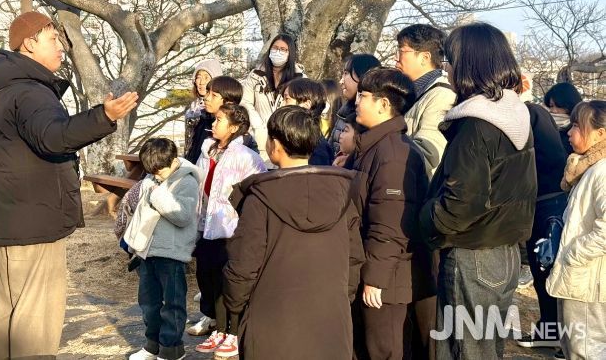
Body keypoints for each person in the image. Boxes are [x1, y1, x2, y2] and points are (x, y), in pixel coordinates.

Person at [0, 11, 139, 359]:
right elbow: (54, 137)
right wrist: (104, 116)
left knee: (10, 317)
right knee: (35, 324)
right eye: (53, 39)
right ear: (30, 44)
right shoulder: (29, 90)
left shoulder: (2, 87)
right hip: (34, 219)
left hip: (13, 217)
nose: (61, 47)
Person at [418, 22, 537, 359]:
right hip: (504, 252)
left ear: (468, 65)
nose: (447, 70)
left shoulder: (476, 124)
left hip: (474, 255)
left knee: (466, 351)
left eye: (450, 62)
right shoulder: (513, 113)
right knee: (485, 349)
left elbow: (460, 205)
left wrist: (425, 218)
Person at [223, 106, 364, 360]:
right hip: (330, 324)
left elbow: (243, 264)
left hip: (271, 324)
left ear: (275, 145)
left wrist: (235, 306)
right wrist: (341, 298)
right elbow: (354, 259)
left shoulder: (261, 197)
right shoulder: (341, 194)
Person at [352, 68, 432, 360]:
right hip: (377, 269)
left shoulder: (393, 155)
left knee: (385, 350)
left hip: (389, 278)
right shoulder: (374, 146)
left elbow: (390, 222)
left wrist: (376, 277)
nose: (356, 102)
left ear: (383, 104)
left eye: (363, 96)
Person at [186, 75, 258, 338]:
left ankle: (229, 328)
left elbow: (251, 186)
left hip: (229, 223)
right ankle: (211, 317)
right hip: (205, 217)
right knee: (205, 271)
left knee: (225, 275)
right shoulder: (207, 143)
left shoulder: (245, 151)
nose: (206, 97)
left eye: (214, 94)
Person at [194, 103, 266, 358]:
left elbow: (256, 191)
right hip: (207, 224)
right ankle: (219, 328)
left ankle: (234, 333)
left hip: (231, 228)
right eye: (214, 120)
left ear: (234, 127)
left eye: (219, 120)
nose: (213, 124)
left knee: (231, 282)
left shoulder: (247, 157)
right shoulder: (207, 151)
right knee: (210, 278)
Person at [128, 138, 201, 360]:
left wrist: (157, 194)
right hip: (147, 250)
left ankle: (172, 350)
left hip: (172, 253)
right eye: (151, 171)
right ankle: (152, 346)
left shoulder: (187, 181)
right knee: (148, 304)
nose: (156, 174)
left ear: (173, 160)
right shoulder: (151, 179)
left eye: (159, 170)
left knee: (172, 305)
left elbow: (182, 215)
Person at [546, 100, 606, 360]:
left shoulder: (602, 172)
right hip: (582, 279)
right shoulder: (588, 168)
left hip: (588, 282)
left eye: (577, 126)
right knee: (576, 348)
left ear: (600, 134)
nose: (569, 133)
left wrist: (573, 253)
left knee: (585, 351)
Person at [514, 91, 568, 352]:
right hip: (544, 202)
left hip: (547, 203)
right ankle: (550, 332)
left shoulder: (529, 115)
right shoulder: (535, 115)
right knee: (542, 274)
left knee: (546, 272)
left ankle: (555, 334)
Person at [395, 24, 455, 177]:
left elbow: (429, 155)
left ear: (425, 58)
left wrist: (384, 159)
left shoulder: (441, 96)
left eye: (401, 51)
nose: (396, 58)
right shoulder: (410, 92)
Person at [241, 33, 304, 161]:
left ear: (290, 53)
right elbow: (245, 102)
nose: (278, 52)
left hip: (286, 141)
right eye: (275, 48)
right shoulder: (255, 75)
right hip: (257, 141)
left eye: (283, 49)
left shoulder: (299, 78)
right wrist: (258, 126)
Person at [327, 54, 380, 157]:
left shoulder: (370, 121)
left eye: (346, 73)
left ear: (363, 76)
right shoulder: (344, 112)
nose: (341, 81)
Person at [281, 78, 334, 165]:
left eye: (287, 99)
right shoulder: (296, 138)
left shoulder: (317, 149)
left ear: (306, 105)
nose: (282, 105)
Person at [185, 59, 223, 164]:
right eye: (198, 77)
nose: (201, 82)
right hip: (192, 162)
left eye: (206, 77)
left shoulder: (222, 109)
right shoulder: (192, 109)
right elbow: (189, 144)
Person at [544, 82, 583, 155]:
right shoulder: (545, 127)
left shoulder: (583, 128)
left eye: (558, 106)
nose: (553, 111)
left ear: (569, 105)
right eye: (551, 106)